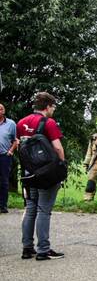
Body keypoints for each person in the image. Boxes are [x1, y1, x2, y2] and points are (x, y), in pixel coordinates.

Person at [17, 92, 65, 260]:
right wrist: (61, 166)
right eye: (53, 107)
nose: (53, 110)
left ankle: (27, 248)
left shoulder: (21, 122)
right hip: (47, 173)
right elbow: (58, 148)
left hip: (29, 172)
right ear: (48, 106)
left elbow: (19, 145)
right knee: (44, 210)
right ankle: (43, 249)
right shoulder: (49, 123)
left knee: (30, 209)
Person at [0, 103, 17, 213]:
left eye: (1, 109)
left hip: (4, 156)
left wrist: (11, 151)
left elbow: (15, 140)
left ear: (4, 111)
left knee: (4, 181)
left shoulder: (11, 124)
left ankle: (3, 206)